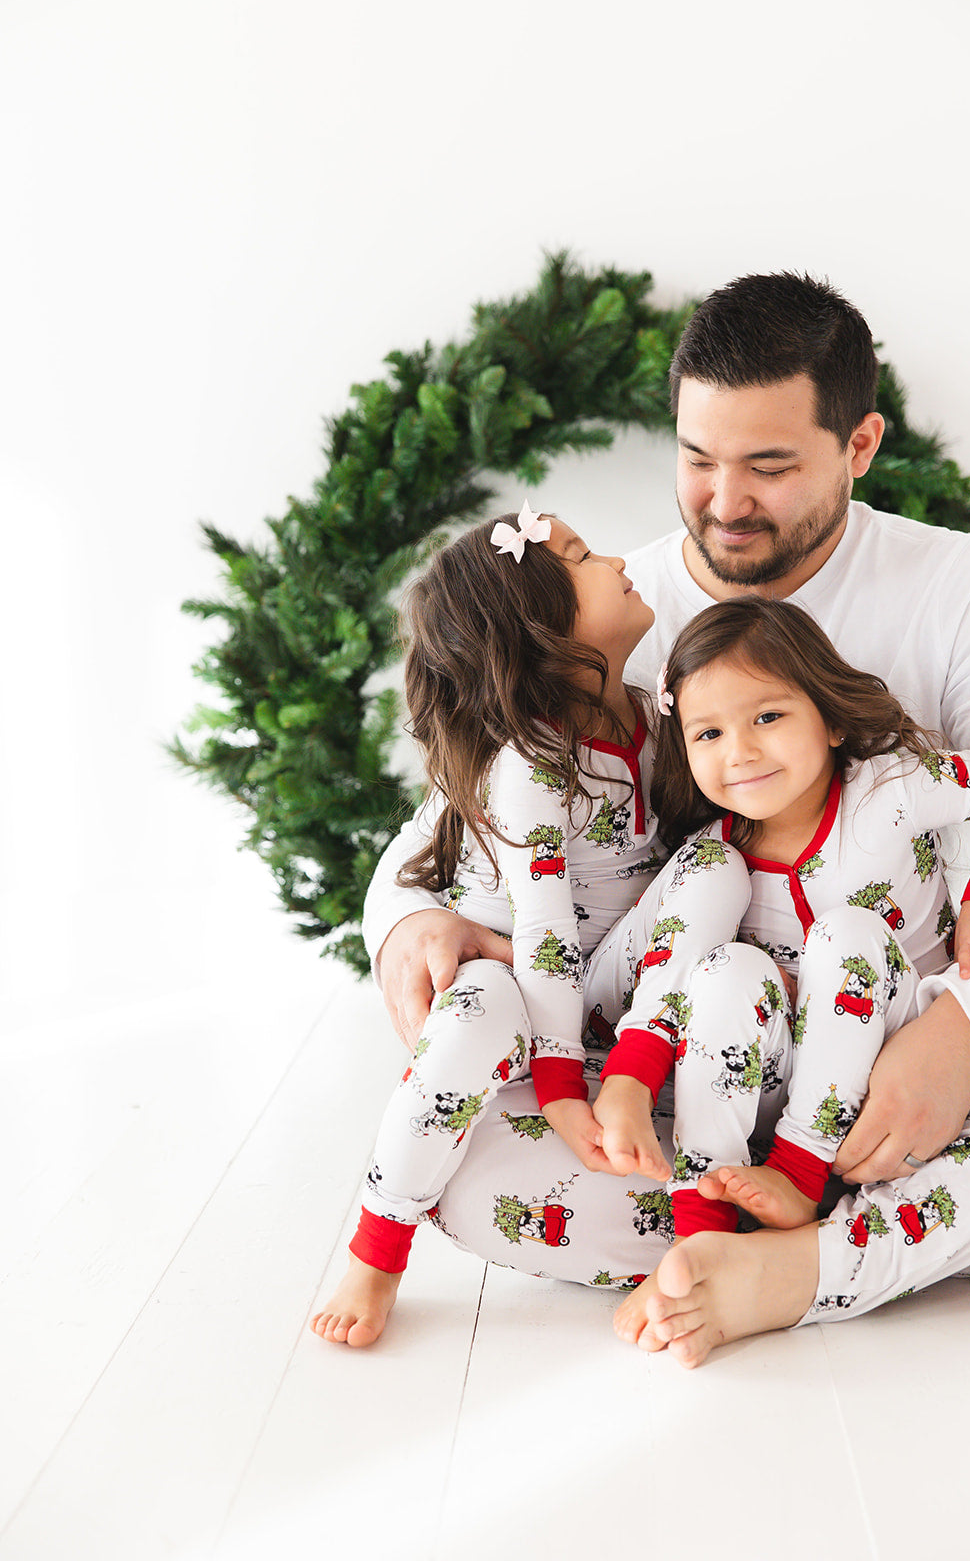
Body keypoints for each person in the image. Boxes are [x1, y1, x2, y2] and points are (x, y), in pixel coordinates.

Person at [360, 272, 970, 1362]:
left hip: (916, 1010)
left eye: (769, 465)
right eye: (697, 459)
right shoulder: (603, 613)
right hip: (702, 1055)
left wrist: (957, 1036)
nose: (724, 499)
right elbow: (442, 826)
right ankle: (957, 1233)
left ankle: (796, 1261)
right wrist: (410, 927)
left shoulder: (960, 588)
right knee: (465, 1174)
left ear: (859, 444)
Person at [311, 502, 752, 1345]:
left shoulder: (655, 720)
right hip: (516, 968)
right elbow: (543, 930)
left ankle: (663, 1114)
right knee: (473, 1011)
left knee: (717, 866)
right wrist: (557, 1096)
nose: (617, 559)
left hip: (608, 987)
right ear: (541, 629)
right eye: (586, 557)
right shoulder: (529, 759)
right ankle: (377, 1244)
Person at [590, 596, 970, 1297]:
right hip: (779, 1085)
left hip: (903, 1059)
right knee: (722, 972)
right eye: (708, 733)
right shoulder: (707, 859)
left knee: (847, 934)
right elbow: (646, 977)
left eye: (767, 717)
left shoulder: (891, 792)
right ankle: (702, 1217)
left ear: (831, 718)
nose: (740, 751)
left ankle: (801, 1178)